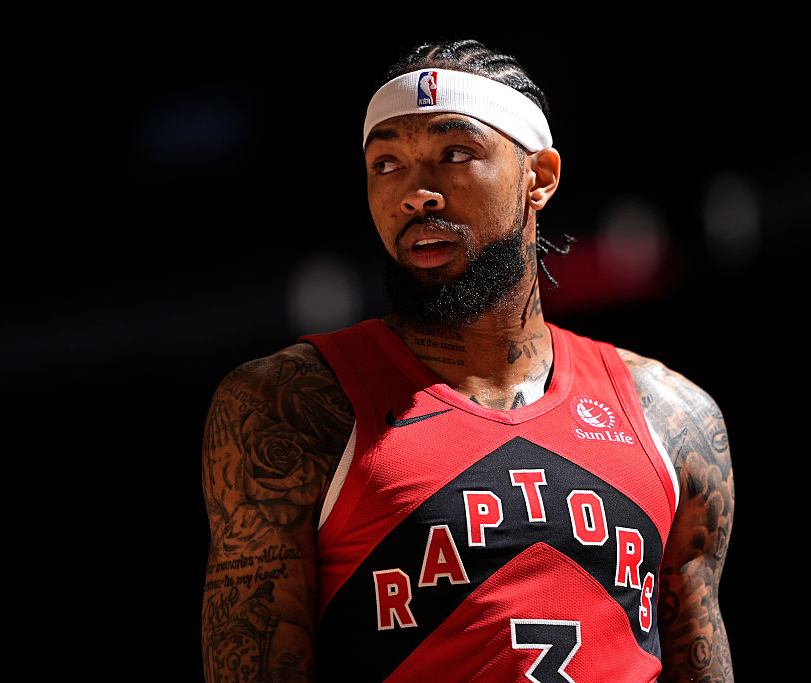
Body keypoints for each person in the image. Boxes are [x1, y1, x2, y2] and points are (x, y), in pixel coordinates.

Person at [201, 39, 734, 682]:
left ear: (539, 178)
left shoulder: (673, 417)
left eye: (456, 154)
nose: (417, 194)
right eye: (387, 163)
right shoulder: (291, 405)